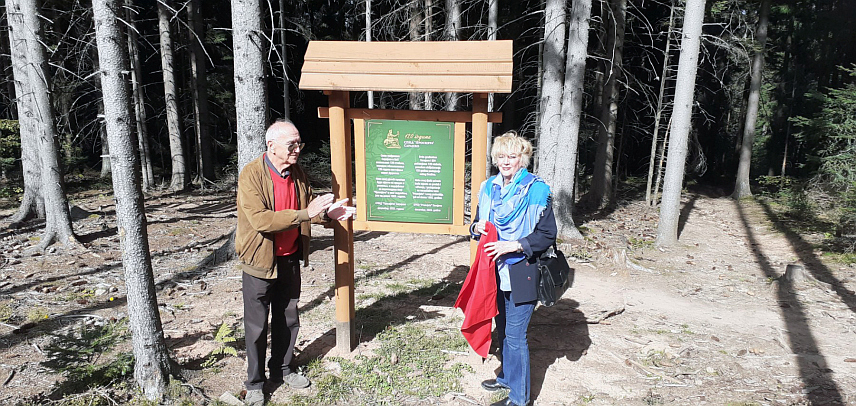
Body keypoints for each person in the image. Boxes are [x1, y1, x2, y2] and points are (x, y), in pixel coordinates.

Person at [235, 119, 355, 406]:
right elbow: (261, 220)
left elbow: (310, 209)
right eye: (291, 144)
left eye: (299, 143)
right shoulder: (251, 174)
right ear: (271, 146)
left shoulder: (297, 173)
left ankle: (283, 369)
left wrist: (329, 214)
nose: (297, 149)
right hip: (259, 261)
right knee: (256, 326)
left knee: (288, 318)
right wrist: (306, 213)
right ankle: (254, 383)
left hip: (289, 258)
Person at [471, 131, 557, 406]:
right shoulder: (489, 188)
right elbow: (474, 225)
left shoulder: (537, 190)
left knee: (515, 336)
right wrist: (476, 227)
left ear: (523, 159)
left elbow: (546, 234)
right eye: (501, 156)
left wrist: (514, 246)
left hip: (523, 270)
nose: (506, 161)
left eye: (512, 156)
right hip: (492, 271)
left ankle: (520, 400)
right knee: (503, 326)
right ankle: (507, 377)